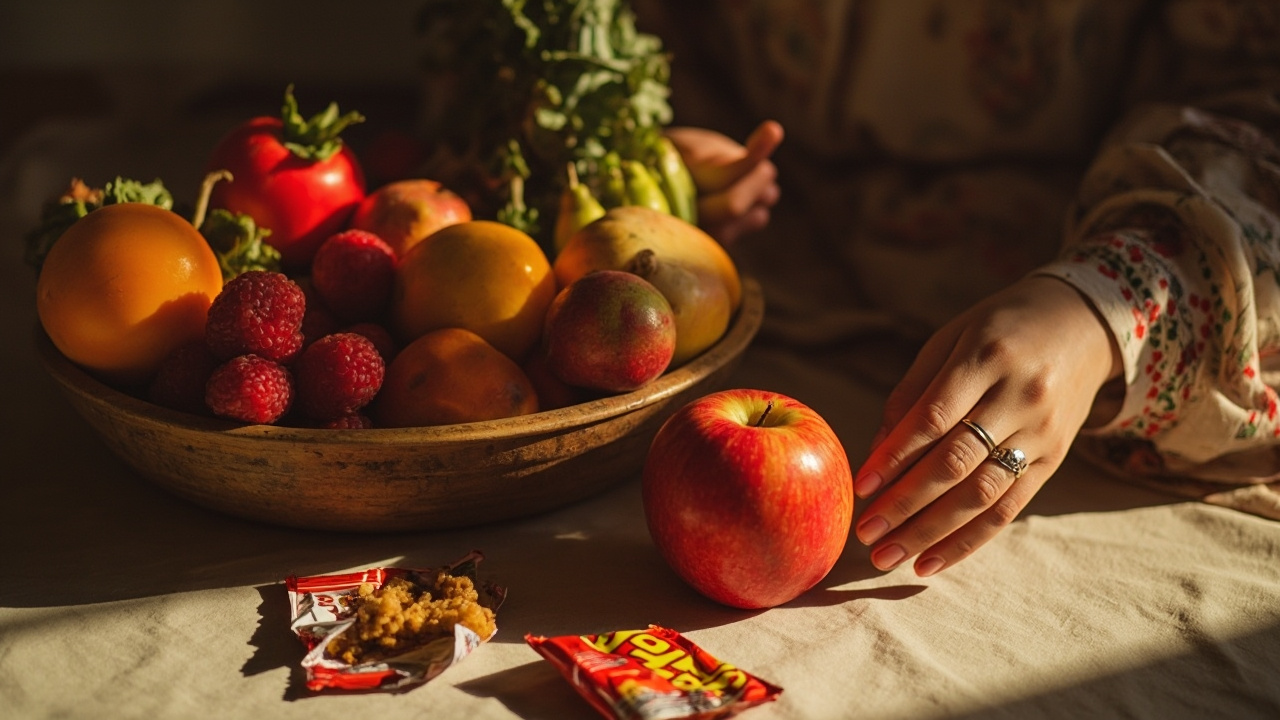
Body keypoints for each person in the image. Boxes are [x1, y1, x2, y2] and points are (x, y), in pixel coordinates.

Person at [641, 0, 1280, 577]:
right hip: (770, 295)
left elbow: (1254, 84)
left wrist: (1101, 308)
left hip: (1075, 302)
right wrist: (671, 155)